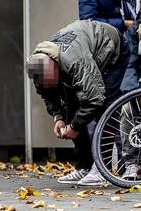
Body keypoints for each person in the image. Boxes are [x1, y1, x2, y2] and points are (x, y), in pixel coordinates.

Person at [25, 20, 124, 187]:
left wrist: (75, 127)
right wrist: (59, 118)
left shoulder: (75, 62)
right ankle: (84, 167)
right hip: (85, 49)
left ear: (55, 68)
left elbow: (95, 99)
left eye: (52, 81)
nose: (49, 85)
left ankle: (102, 169)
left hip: (113, 47)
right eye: (45, 83)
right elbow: (48, 94)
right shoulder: (38, 67)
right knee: (71, 111)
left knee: (105, 109)